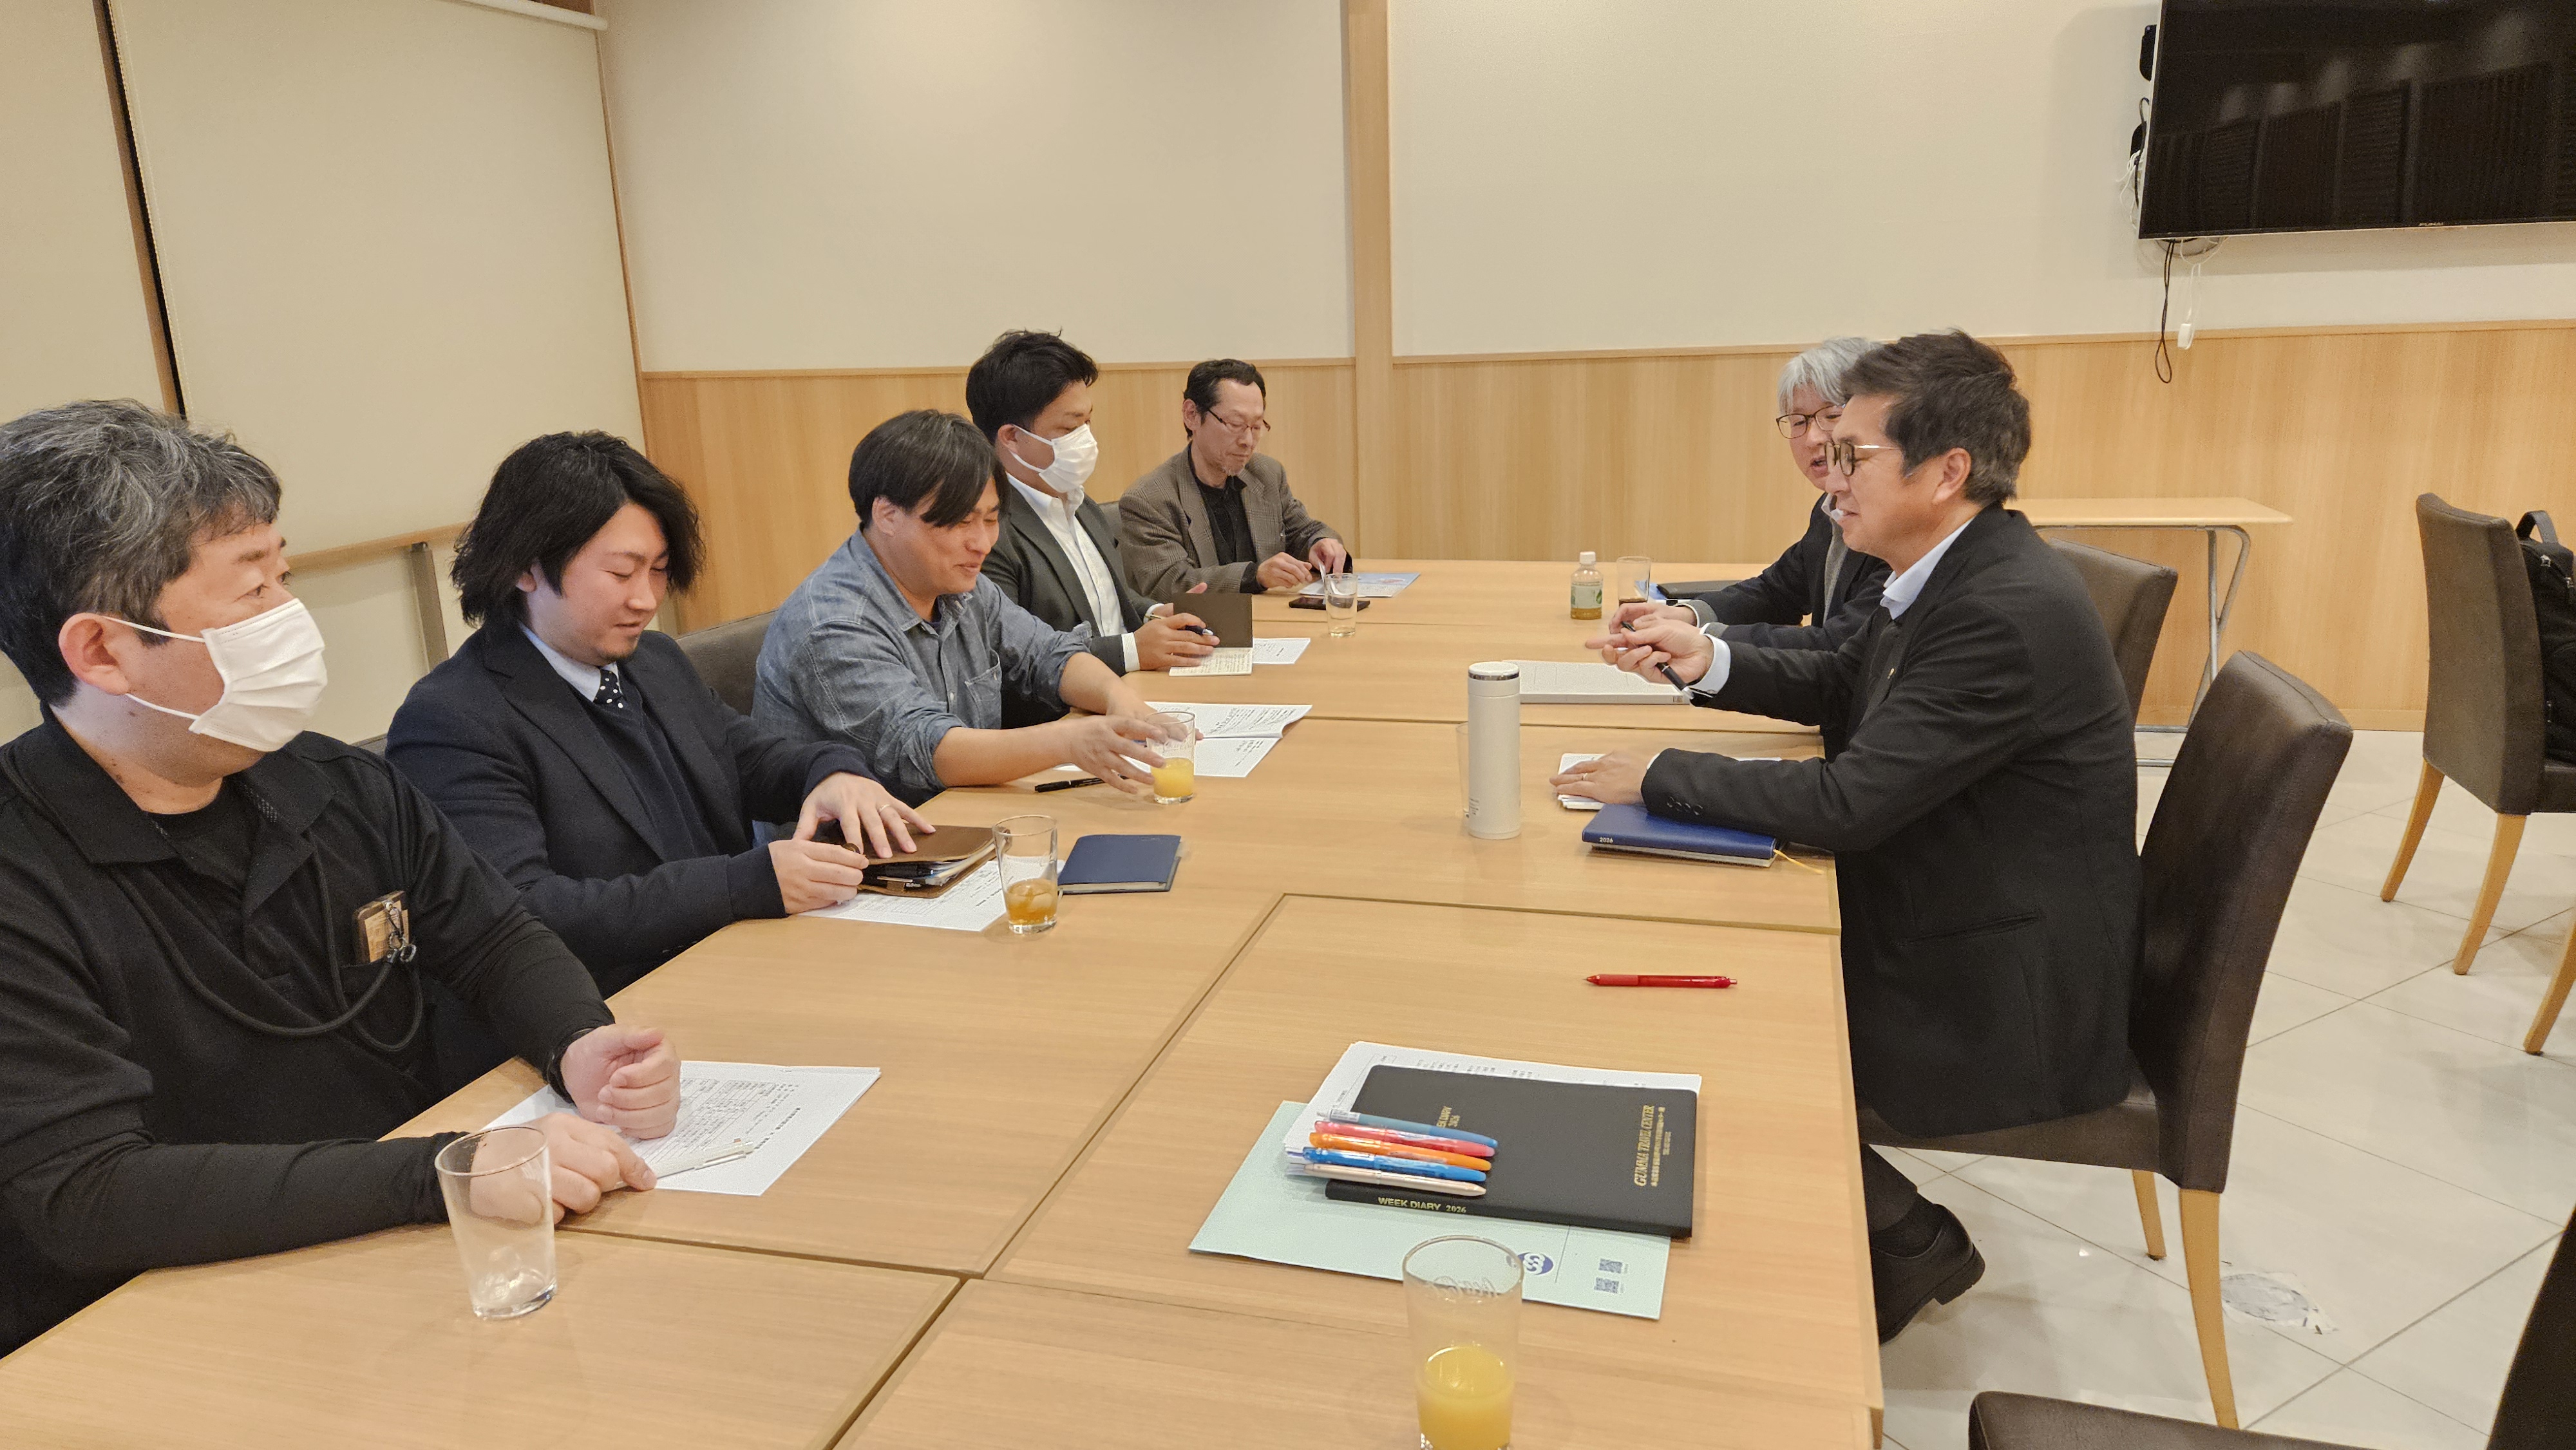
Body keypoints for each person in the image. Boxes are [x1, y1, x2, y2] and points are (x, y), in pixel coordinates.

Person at [0, 401, 680, 1355]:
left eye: (283, 576)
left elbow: (493, 937)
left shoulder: (331, 782)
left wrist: (578, 1041)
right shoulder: (25, 872)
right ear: (103, 651)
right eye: (251, 591)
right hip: (178, 1325)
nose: (291, 617)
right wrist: (438, 1172)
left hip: (407, 1262)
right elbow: (87, 1191)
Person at [1553, 333, 2141, 1343]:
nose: (1830, 476)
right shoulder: (1951, 567)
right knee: (1691, 963)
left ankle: (1902, 1240)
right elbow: (1838, 674)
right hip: (1960, 910)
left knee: (1721, 1012)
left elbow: (1847, 803)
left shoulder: (1999, 610)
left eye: (1853, 453)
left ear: (1946, 472)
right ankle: (1861, 1236)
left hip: (2000, 991)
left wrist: (1656, 775)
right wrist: (1701, 657)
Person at [388, 433, 928, 1047]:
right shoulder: (453, 719)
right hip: (606, 1022)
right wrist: (742, 883)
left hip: (735, 969)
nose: (645, 600)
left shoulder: (653, 661)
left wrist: (832, 772)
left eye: (659, 571)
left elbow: (748, 759)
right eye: (621, 573)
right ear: (525, 567)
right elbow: (525, 914)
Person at [754, 409, 1169, 804]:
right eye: (960, 522)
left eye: (990, 520)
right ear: (888, 516)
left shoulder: (959, 585)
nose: (983, 543)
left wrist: (1116, 696)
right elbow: (929, 749)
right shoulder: (835, 624)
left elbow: (1047, 654)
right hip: (857, 846)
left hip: (964, 811)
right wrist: (1069, 741)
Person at [965, 330, 1215, 722]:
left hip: (1135, 694)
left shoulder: (1080, 502)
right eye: (1069, 429)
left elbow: (1112, 601)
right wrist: (1131, 650)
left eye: (1088, 422)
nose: (1086, 440)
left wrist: (1156, 614)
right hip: (1065, 722)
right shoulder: (987, 532)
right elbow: (1016, 659)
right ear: (1012, 437)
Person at [1619, 337, 1889, 658]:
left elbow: (1838, 644)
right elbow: (1778, 591)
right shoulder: (1828, 508)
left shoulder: (1896, 523)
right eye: (1799, 421)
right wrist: (1686, 615)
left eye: (1831, 416)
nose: (1813, 438)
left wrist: (1703, 639)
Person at [1118, 359, 1349, 596]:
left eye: (1256, 427)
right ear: (1192, 415)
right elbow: (1169, 584)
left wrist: (1319, 543)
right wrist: (1253, 576)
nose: (1248, 441)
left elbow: (1301, 531)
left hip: (1270, 614)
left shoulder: (1266, 474)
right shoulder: (1150, 499)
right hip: (1200, 619)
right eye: (1236, 424)